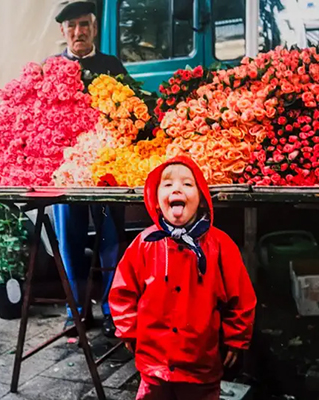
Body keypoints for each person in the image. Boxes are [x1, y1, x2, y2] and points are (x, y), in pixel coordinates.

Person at [109, 156, 257, 400]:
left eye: (187, 184)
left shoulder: (220, 246)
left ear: (201, 200)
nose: (176, 188)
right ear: (156, 201)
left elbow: (240, 297)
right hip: (154, 362)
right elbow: (122, 291)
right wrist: (128, 330)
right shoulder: (145, 244)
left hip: (200, 363)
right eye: (167, 185)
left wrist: (236, 338)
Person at [52, 1, 127, 337]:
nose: (78, 32)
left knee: (112, 240)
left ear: (94, 28)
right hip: (66, 173)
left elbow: (132, 113)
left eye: (84, 25)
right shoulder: (50, 68)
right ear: (63, 31)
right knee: (69, 241)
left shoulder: (112, 65)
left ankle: (114, 311)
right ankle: (77, 312)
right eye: (72, 26)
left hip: (106, 172)